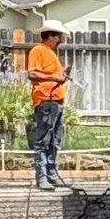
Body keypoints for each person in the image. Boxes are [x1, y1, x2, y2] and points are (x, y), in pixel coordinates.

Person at [25, 24, 68, 187]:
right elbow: (33, 73)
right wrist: (56, 78)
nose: (60, 40)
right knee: (43, 139)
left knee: (54, 140)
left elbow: (50, 74)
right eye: (58, 36)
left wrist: (61, 75)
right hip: (45, 100)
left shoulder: (51, 53)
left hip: (56, 100)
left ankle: (51, 172)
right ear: (50, 35)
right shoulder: (38, 50)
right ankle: (42, 176)